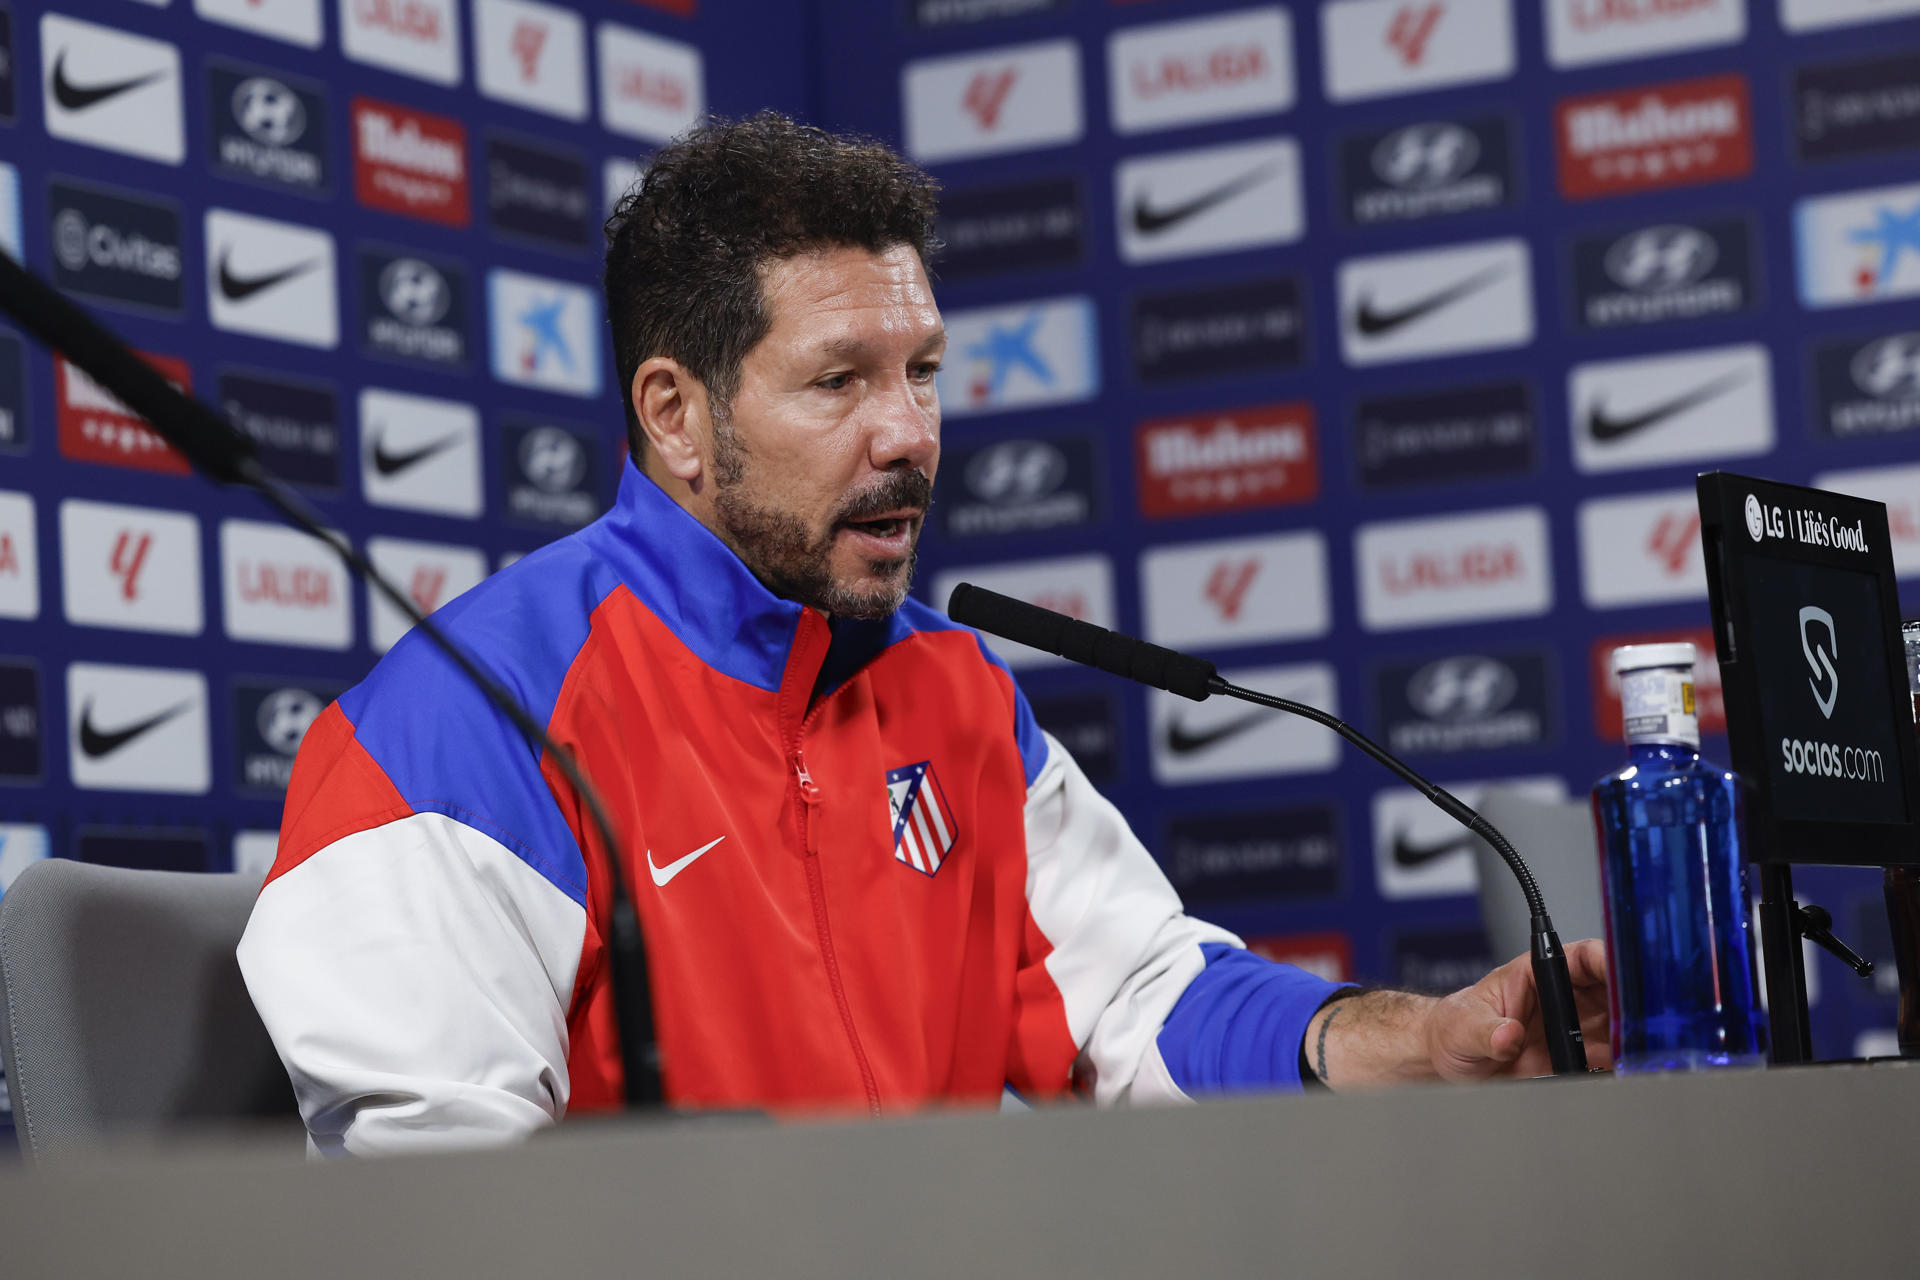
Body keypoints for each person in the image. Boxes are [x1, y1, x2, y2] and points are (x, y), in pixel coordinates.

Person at [237, 113, 1611, 1157]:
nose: (908, 436)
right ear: (674, 416)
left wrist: (1420, 1044)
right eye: (839, 382)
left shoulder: (953, 694)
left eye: (924, 374)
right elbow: (443, 1199)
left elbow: (1137, 1006)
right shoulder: (459, 724)